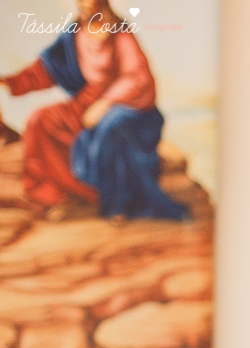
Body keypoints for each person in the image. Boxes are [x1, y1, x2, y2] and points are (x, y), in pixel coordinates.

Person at [0, 0, 186, 220]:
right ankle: (57, 197)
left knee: (109, 128)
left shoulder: (119, 33)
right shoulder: (73, 34)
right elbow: (45, 69)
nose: (82, 4)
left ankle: (116, 202)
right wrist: (9, 83)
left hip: (126, 105)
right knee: (41, 120)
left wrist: (105, 103)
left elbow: (137, 78)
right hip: (86, 103)